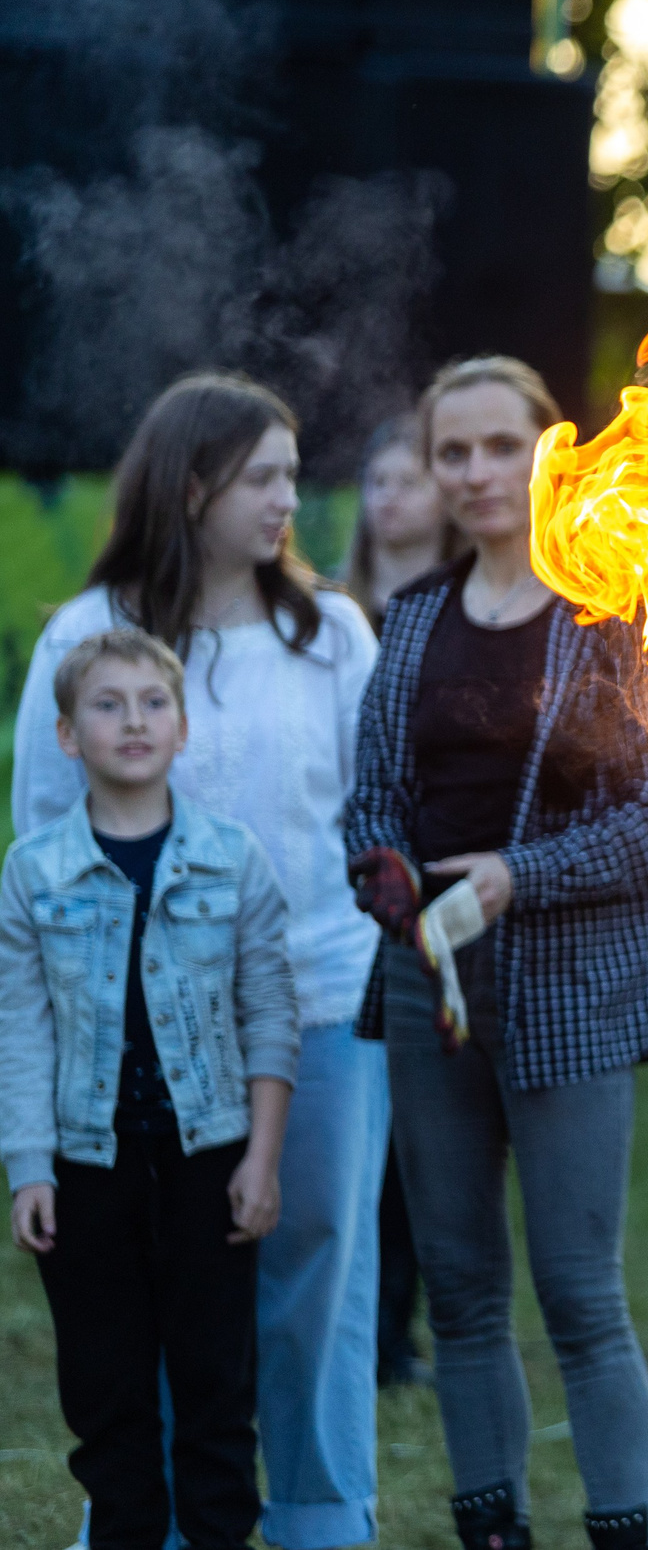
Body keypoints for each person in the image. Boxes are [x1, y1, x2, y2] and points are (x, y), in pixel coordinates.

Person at [12, 373, 387, 1549]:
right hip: (132, 1037)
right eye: (263, 476)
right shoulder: (85, 638)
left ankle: (320, 1513)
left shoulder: (331, 634)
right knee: (158, 1286)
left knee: (317, 1268)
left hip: (317, 1002)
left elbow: (373, 814)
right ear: (191, 485)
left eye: (290, 473)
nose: (290, 496)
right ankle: (147, 1518)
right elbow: (39, 833)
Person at [343, 355, 648, 1550]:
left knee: (579, 1296)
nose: (478, 471)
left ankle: (620, 1532)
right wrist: (390, 879)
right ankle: (491, 1533)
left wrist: (516, 880)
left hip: (566, 984)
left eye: (502, 446)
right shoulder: (414, 616)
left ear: (552, 454)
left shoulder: (614, 616)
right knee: (457, 1290)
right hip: (426, 980)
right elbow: (375, 796)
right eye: (455, 452)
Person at [3, 629, 299, 1550]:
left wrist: (260, 1155)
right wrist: (28, 1167)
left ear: (181, 728)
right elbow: (19, 1027)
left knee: (216, 1393)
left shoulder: (233, 858)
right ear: (65, 735)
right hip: (85, 1164)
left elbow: (269, 1010)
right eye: (107, 703)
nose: (133, 719)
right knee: (108, 1395)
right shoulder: (33, 870)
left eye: (152, 702)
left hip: (209, 1155)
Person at [340, 411, 458, 1390]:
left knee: (417, 1132)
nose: (389, 497)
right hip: (338, 886)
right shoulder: (328, 614)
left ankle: (394, 1328)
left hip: (435, 896)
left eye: (407, 478)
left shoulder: (467, 617)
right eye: (375, 480)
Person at [344, 411, 464, 623]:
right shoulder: (332, 605)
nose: (389, 495)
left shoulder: (471, 606)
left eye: (409, 482)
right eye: (378, 481)